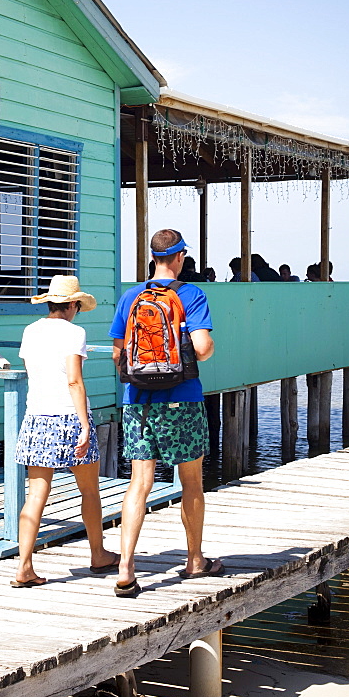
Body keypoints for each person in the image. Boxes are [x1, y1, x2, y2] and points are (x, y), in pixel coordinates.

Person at [110, 229, 223, 598]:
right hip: (182, 400)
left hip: (138, 402)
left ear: (153, 257)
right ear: (180, 257)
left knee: (138, 483)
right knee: (191, 480)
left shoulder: (131, 296)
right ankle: (194, 561)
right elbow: (203, 348)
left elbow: (117, 356)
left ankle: (126, 566)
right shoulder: (191, 294)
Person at [12, 275, 118, 587]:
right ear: (72, 304)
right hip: (68, 417)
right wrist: (85, 423)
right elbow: (73, 379)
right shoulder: (75, 332)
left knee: (35, 496)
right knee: (89, 490)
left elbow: (35, 372)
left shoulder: (31, 331)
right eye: (77, 307)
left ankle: (24, 566)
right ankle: (98, 554)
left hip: (36, 417)